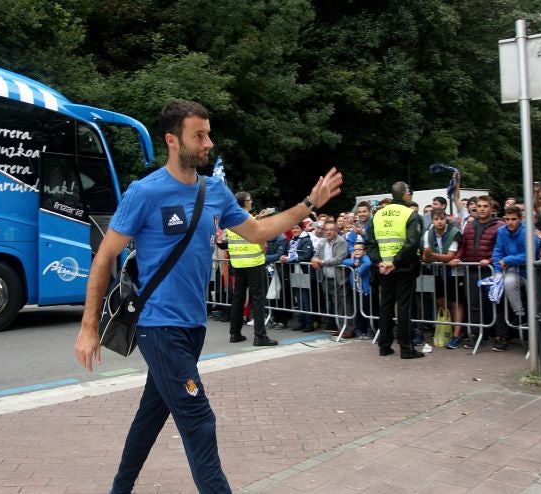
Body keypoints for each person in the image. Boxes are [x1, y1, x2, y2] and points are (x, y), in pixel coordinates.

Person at [74, 100, 342, 494]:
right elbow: (105, 257)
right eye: (199, 135)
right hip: (159, 327)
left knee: (150, 417)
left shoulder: (214, 190)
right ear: (172, 140)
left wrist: (308, 204)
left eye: (208, 134)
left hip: (193, 328)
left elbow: (258, 232)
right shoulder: (144, 193)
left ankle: (119, 489)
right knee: (200, 421)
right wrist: (87, 326)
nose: (208, 143)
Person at [366, 181, 424, 358]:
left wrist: (380, 262)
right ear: (406, 194)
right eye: (410, 192)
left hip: (384, 268)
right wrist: (396, 262)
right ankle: (406, 349)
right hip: (403, 267)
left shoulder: (378, 214)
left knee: (386, 306)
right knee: (404, 308)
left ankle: (384, 346)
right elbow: (412, 243)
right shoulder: (411, 215)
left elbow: (370, 243)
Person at [449, 196, 505, 348]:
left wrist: (491, 261)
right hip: (472, 269)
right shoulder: (469, 225)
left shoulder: (500, 225)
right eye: (479, 206)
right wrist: (457, 258)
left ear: (491, 208)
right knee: (474, 304)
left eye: (485, 206)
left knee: (495, 303)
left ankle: (500, 336)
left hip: (491, 270)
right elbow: (463, 247)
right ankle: (476, 334)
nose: (481, 208)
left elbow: (501, 248)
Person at [225, 191, 278, 345]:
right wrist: (263, 247)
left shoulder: (231, 220)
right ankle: (260, 336)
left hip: (238, 264)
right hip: (254, 263)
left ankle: (235, 333)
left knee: (238, 298)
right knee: (258, 300)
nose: (252, 201)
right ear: (244, 202)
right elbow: (261, 242)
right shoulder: (249, 219)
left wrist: (258, 218)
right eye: (250, 200)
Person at [491, 205, 539, 351]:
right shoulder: (501, 231)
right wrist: (498, 271)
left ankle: (536, 335)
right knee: (508, 282)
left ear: (520, 219)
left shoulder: (527, 233)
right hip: (513, 270)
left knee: (535, 298)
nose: (510, 222)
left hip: (530, 271)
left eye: (514, 219)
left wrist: (509, 259)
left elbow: (530, 253)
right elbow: (497, 251)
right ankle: (519, 314)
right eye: (507, 219)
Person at [422, 208, 464, 349]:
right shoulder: (428, 233)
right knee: (441, 301)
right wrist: (428, 256)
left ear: (445, 219)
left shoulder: (454, 232)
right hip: (438, 272)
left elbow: (450, 256)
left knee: (456, 302)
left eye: (441, 219)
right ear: (432, 220)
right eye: (436, 219)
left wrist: (432, 255)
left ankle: (457, 334)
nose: (439, 222)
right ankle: (448, 330)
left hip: (454, 272)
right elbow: (426, 258)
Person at [311, 220, 354, 337]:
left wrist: (321, 262)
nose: (328, 232)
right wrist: (314, 260)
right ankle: (341, 327)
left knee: (345, 304)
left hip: (339, 278)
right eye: (327, 230)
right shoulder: (322, 242)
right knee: (335, 305)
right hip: (327, 278)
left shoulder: (341, 242)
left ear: (336, 231)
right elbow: (316, 255)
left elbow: (339, 259)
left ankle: (349, 329)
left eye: (331, 230)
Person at [281, 222, 315, 331]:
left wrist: (291, 258)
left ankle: (309, 323)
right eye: (292, 228)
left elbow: (305, 255)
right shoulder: (291, 241)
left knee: (305, 298)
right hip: (294, 271)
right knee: (298, 298)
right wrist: (284, 257)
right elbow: (287, 253)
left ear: (302, 228)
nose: (294, 230)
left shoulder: (306, 240)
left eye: (296, 228)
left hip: (303, 271)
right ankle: (302, 321)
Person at [343, 242, 373, 338]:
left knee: (367, 310)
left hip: (366, 291)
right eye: (355, 250)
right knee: (358, 312)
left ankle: (369, 330)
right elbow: (343, 261)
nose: (356, 251)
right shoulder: (354, 260)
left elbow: (368, 263)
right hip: (356, 290)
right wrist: (354, 262)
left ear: (364, 251)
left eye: (359, 249)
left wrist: (359, 269)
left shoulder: (365, 259)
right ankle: (359, 330)